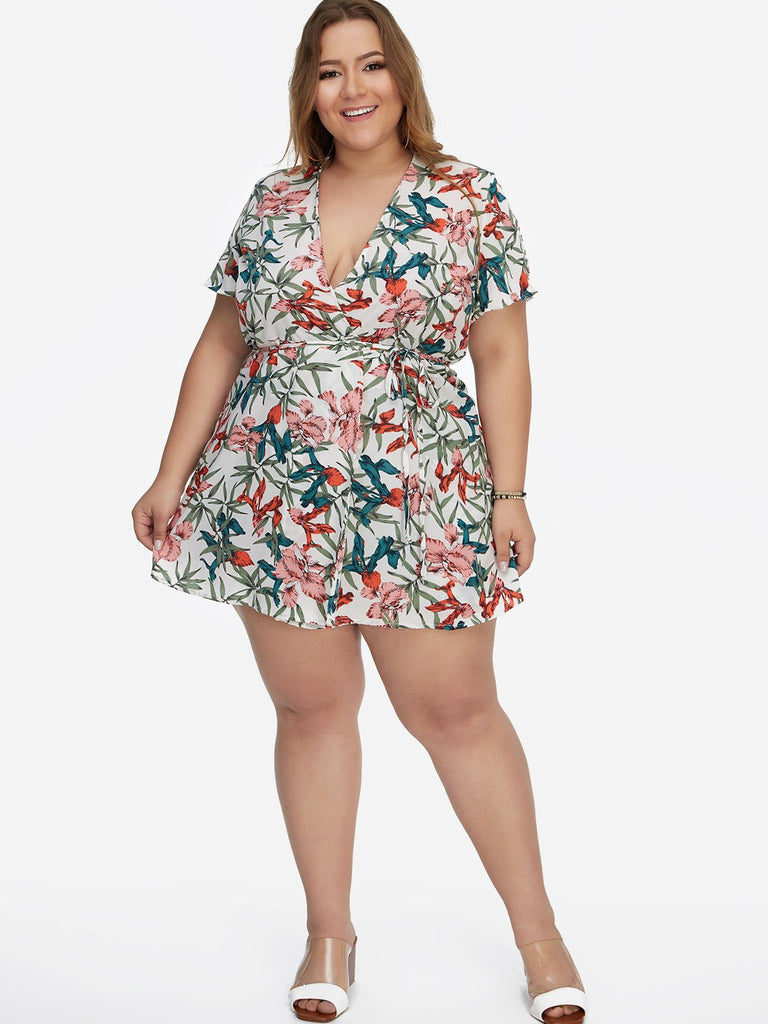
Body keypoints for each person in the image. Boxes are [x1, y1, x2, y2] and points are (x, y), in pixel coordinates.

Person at [132, 1, 588, 1020]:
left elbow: (500, 351)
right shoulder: (274, 199)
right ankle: (328, 933)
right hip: (272, 489)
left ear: (402, 76)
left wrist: (510, 492)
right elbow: (223, 341)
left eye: (372, 64)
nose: (354, 88)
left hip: (420, 490)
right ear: (309, 90)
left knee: (458, 712)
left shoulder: (466, 196)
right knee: (310, 709)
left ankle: (539, 933)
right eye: (331, 70)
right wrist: (169, 477)